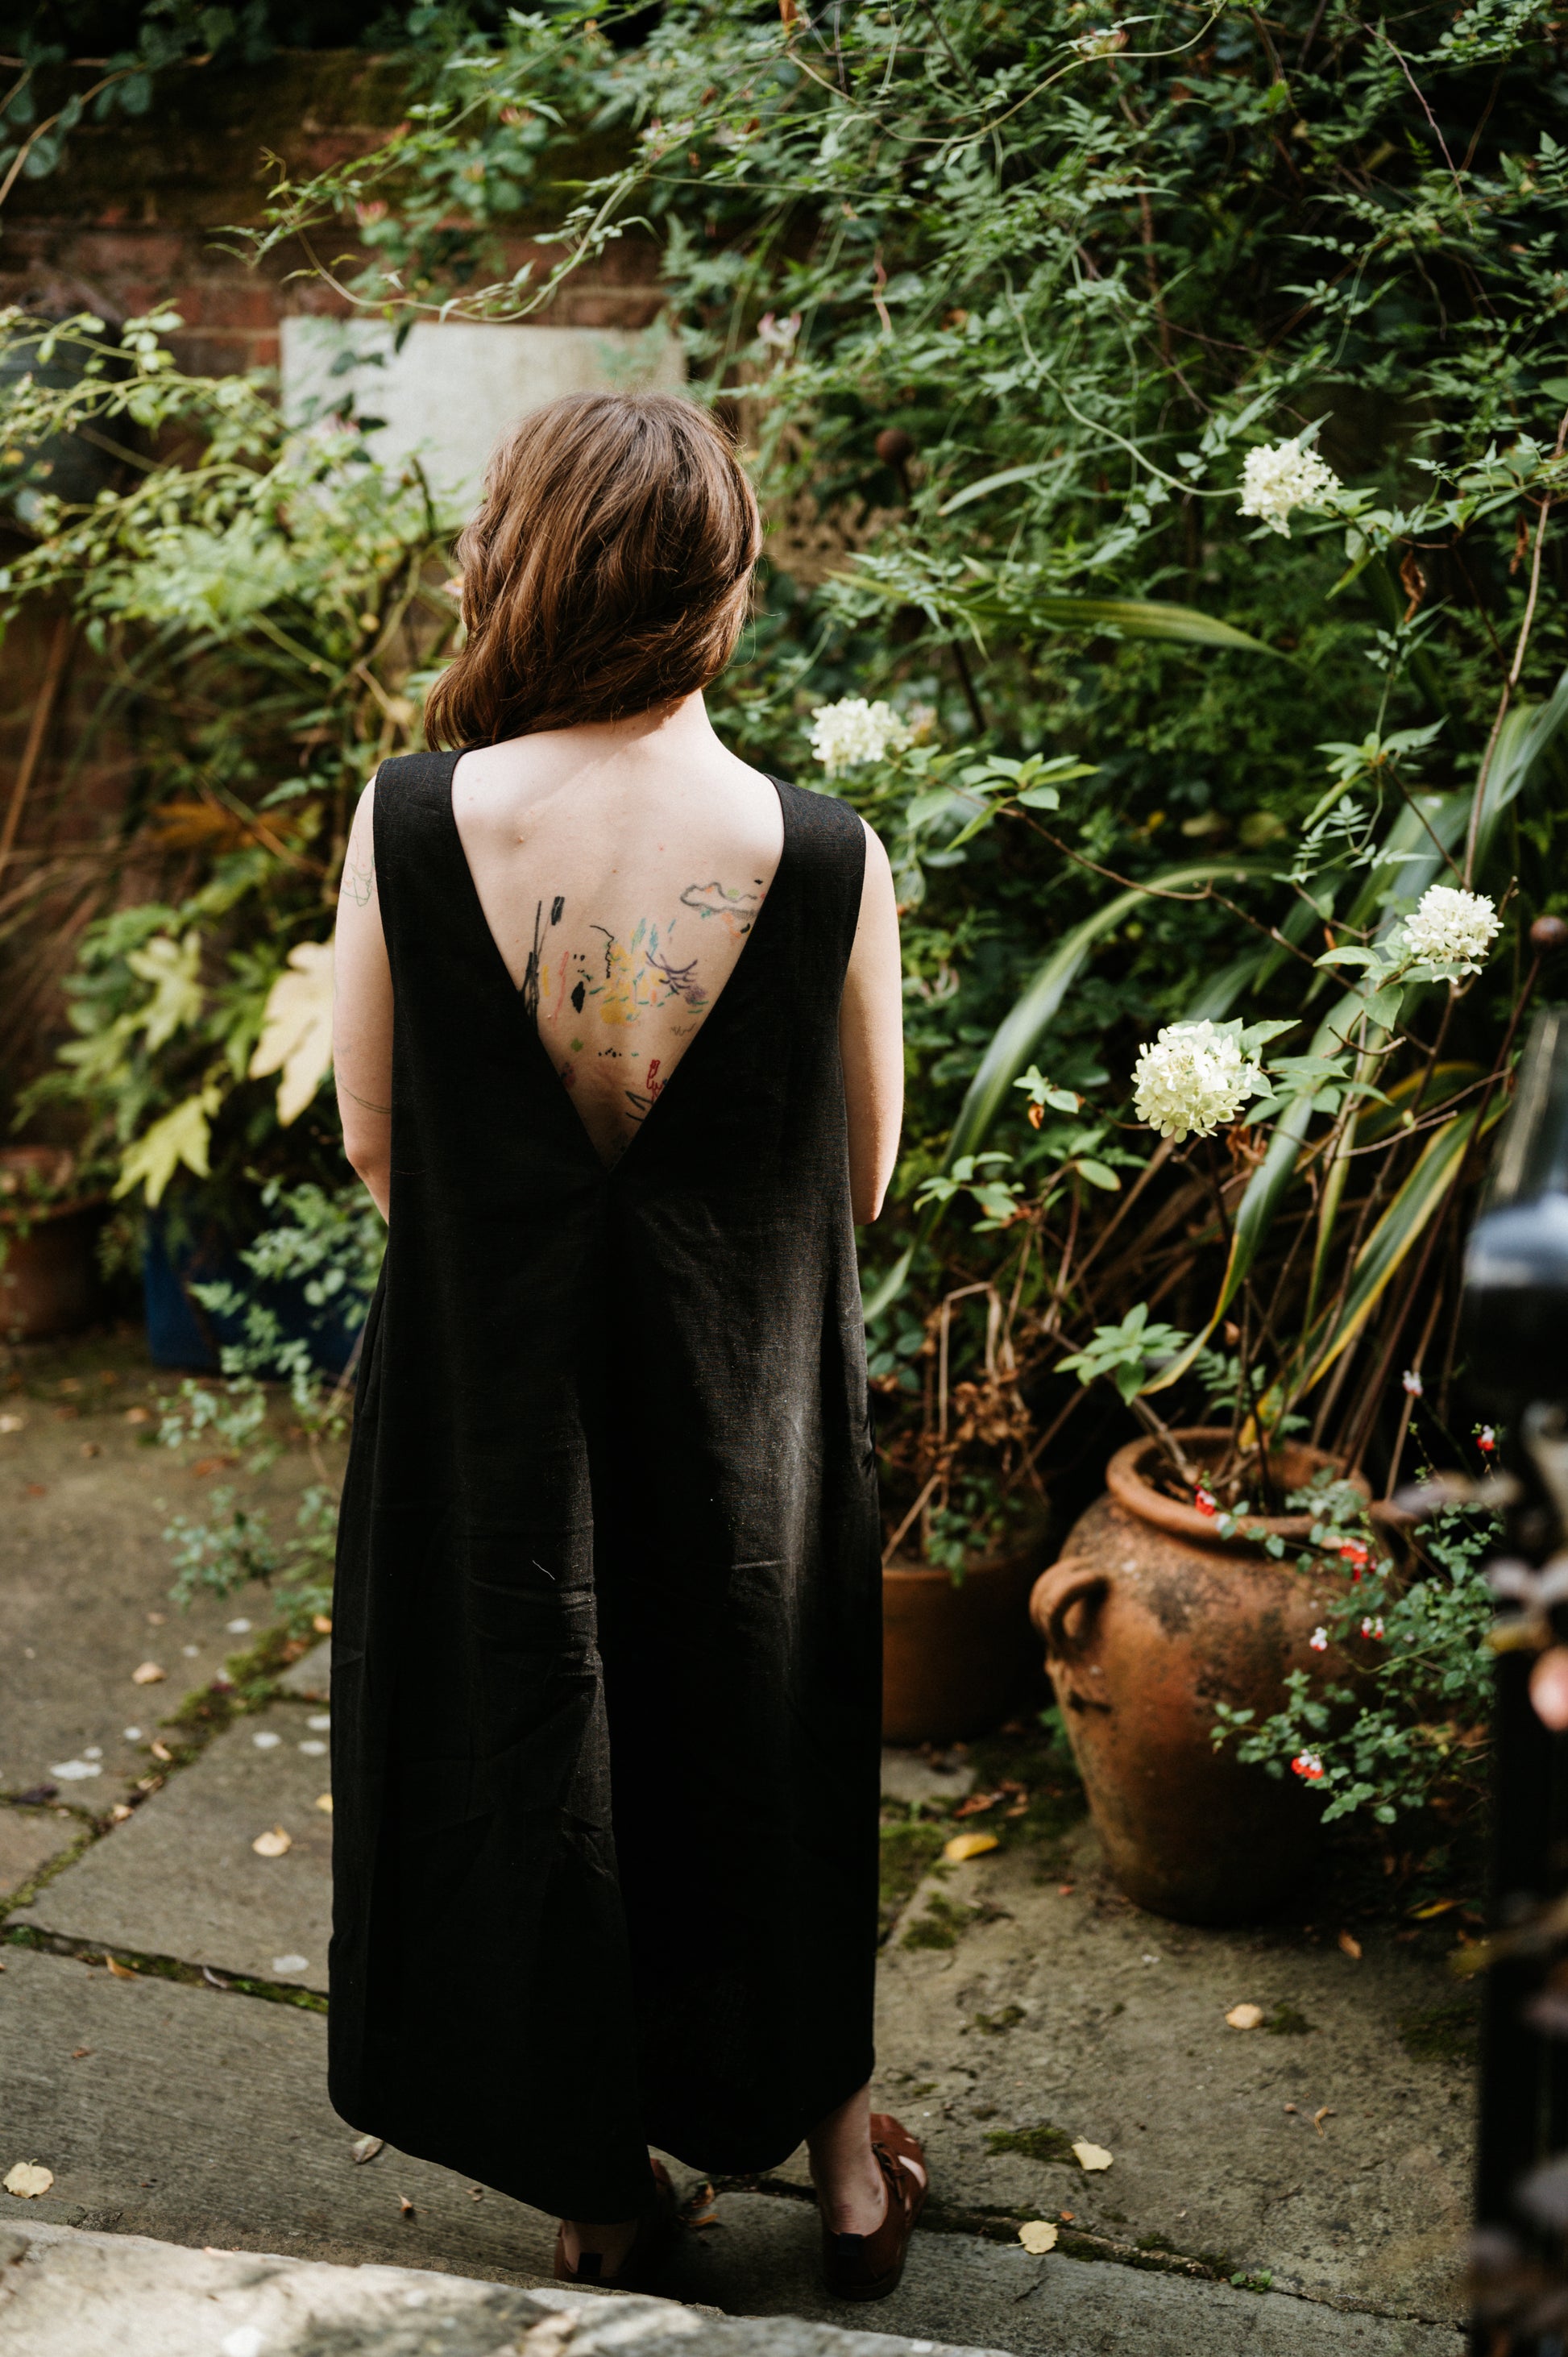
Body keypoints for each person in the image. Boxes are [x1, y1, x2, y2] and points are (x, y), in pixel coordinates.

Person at [329, 391, 924, 2300]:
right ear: (722, 589)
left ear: (522, 559)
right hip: (747, 1392)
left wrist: (531, 1260)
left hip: (490, 1387)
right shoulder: (822, 852)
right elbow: (860, 1173)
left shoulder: (412, 818)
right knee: (764, 1731)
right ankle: (845, 2170)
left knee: (516, 1735)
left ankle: (596, 2190)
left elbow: (376, 1140)